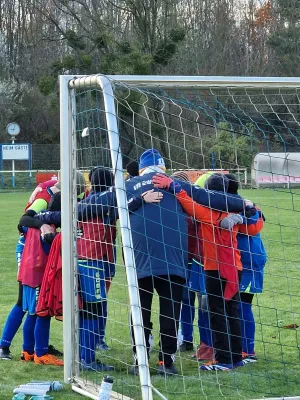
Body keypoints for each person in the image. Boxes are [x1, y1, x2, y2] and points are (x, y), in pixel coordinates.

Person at [152, 173, 252, 371]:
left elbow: (190, 205)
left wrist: (173, 186)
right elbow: (256, 223)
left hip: (217, 269)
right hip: (235, 266)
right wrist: (246, 212)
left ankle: (223, 360)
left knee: (217, 312)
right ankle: (235, 356)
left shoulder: (210, 212)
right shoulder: (236, 208)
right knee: (231, 311)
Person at [16, 171, 85, 366]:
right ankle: (41, 353)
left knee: (31, 312)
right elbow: (26, 223)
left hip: (29, 269)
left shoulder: (41, 219)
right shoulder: (48, 226)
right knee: (42, 312)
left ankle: (27, 350)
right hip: (38, 271)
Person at [0, 179, 64, 361]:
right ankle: (5, 346)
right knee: (27, 304)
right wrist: (42, 225)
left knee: (33, 306)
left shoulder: (50, 195)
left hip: (34, 252)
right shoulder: (44, 198)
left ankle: (31, 348)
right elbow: (23, 221)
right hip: (30, 254)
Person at [225, 173, 267, 364]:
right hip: (240, 262)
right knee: (237, 305)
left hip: (249, 263)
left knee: (243, 305)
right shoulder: (238, 205)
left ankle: (248, 350)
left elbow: (253, 223)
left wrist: (244, 216)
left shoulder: (245, 207)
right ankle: (239, 346)